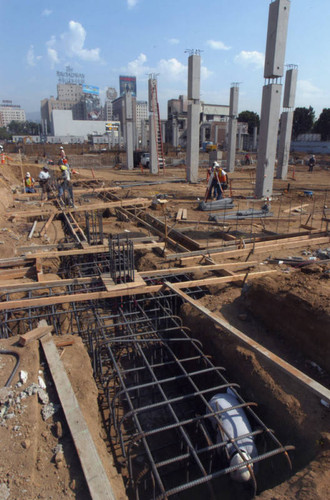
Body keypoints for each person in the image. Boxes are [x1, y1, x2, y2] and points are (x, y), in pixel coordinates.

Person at [208, 389, 258, 482]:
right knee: (214, 426)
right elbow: (218, 450)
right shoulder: (224, 444)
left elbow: (255, 465)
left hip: (230, 399)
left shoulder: (251, 447)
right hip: (213, 404)